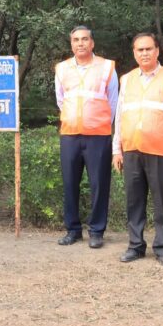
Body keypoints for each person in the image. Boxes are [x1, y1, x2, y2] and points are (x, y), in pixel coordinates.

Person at [112, 33, 163, 269]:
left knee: (162, 202)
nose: (144, 53)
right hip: (132, 148)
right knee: (134, 201)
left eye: (148, 49)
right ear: (134, 53)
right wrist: (116, 149)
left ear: (157, 51)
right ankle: (135, 246)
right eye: (140, 50)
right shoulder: (126, 80)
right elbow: (120, 115)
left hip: (160, 150)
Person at [54, 26, 118, 248]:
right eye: (76, 40)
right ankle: (73, 230)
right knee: (70, 183)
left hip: (98, 135)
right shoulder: (62, 69)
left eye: (84, 39)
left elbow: (113, 101)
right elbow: (61, 100)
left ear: (92, 43)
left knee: (99, 184)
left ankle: (97, 231)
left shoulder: (107, 67)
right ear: (71, 44)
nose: (80, 43)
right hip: (70, 135)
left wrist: (99, 122)